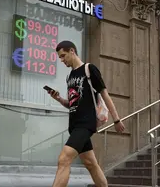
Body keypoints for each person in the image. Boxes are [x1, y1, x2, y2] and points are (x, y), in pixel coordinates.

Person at [47, 40, 125, 187]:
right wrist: (58, 99)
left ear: (72, 51)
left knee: (64, 159)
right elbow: (71, 104)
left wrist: (116, 120)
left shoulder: (89, 69)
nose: (62, 60)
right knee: (91, 164)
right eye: (60, 58)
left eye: (63, 56)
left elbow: (105, 95)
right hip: (74, 126)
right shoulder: (69, 77)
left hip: (85, 124)